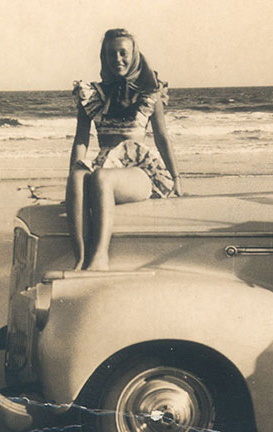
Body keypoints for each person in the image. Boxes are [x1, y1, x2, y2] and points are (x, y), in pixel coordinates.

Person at [66, 28, 183, 271]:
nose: (117, 59)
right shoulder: (91, 94)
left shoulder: (150, 93)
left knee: (100, 178)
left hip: (139, 171)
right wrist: (71, 183)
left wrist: (177, 178)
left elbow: (162, 137)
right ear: (104, 58)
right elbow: (81, 140)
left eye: (123, 53)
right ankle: (80, 258)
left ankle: (100, 259)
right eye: (111, 54)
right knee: (78, 176)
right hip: (106, 164)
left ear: (134, 55)